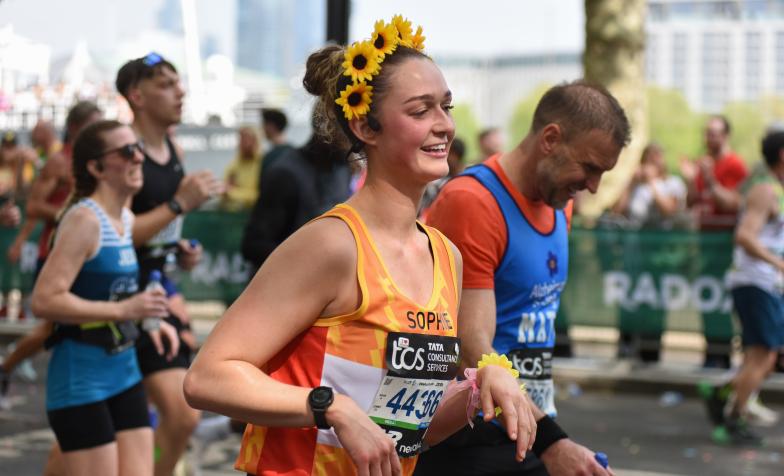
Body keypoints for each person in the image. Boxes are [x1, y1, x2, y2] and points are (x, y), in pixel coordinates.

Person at [184, 15, 536, 476]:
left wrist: (479, 388)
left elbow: (405, 434)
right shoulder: (332, 244)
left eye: (446, 107)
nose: (444, 126)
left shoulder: (444, 256)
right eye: (420, 110)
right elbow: (208, 377)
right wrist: (331, 406)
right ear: (366, 128)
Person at [418, 80, 630, 476]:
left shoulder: (558, 205)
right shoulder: (474, 202)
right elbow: (469, 346)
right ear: (550, 139)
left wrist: (546, 431)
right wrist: (553, 443)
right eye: (590, 167)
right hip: (472, 433)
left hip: (526, 424)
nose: (593, 186)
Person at [30, 119, 179, 476]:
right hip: (81, 381)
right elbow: (45, 300)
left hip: (123, 372)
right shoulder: (85, 219)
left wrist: (146, 319)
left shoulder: (124, 218)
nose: (139, 158)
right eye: (127, 151)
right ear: (96, 167)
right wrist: (124, 309)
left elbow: (110, 290)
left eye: (139, 149)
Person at [116, 52, 221, 476]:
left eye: (179, 83)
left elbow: (161, 231)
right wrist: (181, 202)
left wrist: (182, 252)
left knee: (173, 418)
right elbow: (114, 233)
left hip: (160, 295)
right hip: (120, 300)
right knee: (161, 419)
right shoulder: (124, 151)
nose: (179, 92)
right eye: (165, 84)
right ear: (136, 96)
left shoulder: (173, 148)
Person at [699, 129, 784, 445]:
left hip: (764, 284)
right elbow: (745, 236)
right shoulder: (765, 190)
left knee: (761, 357)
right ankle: (732, 419)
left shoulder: (777, 189)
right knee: (765, 356)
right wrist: (778, 264)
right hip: (755, 282)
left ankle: (722, 393)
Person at [240, 119, 353, 276]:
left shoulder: (341, 169)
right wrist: (309, 263)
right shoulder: (285, 174)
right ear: (327, 131)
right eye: (351, 131)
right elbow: (253, 245)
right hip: (282, 288)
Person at [680, 116, 748, 369]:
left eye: (715, 133)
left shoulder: (735, 165)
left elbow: (733, 203)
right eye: (707, 133)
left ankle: (727, 356)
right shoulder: (702, 164)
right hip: (705, 244)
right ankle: (712, 354)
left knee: (728, 303)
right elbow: (691, 202)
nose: (710, 138)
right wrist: (691, 178)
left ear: (726, 136)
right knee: (708, 299)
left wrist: (709, 178)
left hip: (727, 246)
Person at [611, 142, 687, 362]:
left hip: (659, 255)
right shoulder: (636, 186)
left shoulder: (672, 184)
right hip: (634, 252)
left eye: (657, 158)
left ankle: (651, 350)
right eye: (649, 159)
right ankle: (625, 345)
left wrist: (653, 183)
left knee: (654, 301)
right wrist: (630, 184)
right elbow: (617, 211)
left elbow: (668, 210)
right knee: (629, 299)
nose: (653, 163)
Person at [7, 101, 102, 267]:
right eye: (92, 126)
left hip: (91, 251)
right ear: (74, 127)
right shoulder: (60, 160)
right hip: (58, 252)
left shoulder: (99, 160)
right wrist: (74, 215)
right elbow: (33, 206)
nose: (98, 133)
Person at [420, 137, 465, 215]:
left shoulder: (464, 179)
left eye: (445, 151)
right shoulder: (437, 178)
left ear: (455, 155)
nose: (443, 155)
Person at [221, 126, 262, 211]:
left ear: (256, 141)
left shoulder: (263, 164)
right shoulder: (234, 165)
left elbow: (260, 196)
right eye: (241, 139)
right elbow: (224, 190)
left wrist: (233, 193)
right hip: (233, 214)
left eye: (246, 139)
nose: (242, 143)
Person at [259, 108, 293, 177]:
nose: (262, 128)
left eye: (264, 124)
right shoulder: (294, 152)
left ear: (270, 126)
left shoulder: (271, 157)